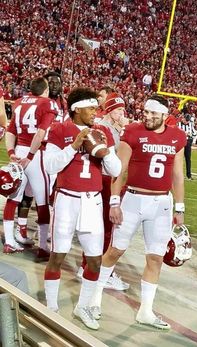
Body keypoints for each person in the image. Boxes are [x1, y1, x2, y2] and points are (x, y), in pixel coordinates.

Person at [90, 94, 187, 330]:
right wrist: (114, 201)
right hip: (133, 199)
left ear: (165, 114)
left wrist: (180, 207)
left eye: (154, 113)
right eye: (146, 112)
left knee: (155, 258)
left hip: (162, 204)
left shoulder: (177, 137)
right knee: (115, 251)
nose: (149, 116)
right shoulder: (132, 132)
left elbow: (177, 174)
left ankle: (145, 311)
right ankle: (93, 298)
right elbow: (118, 170)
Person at [43, 87, 121, 330]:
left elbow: (116, 170)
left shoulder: (102, 131)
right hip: (66, 199)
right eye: (91, 108)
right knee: (58, 255)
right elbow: (50, 166)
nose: (95, 112)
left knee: (95, 260)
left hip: (92, 201)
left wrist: (105, 152)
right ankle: (51, 307)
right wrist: (74, 146)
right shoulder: (59, 129)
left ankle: (83, 306)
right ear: (77, 110)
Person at [77, 92, 129, 291]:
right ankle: (94, 268)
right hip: (106, 180)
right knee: (107, 227)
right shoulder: (104, 128)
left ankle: (88, 266)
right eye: (117, 110)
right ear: (109, 110)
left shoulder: (108, 126)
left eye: (122, 109)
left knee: (101, 227)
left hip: (105, 179)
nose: (121, 113)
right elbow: (112, 158)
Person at [15, 71, 69, 250]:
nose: (55, 85)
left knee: (49, 195)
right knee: (28, 194)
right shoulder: (41, 102)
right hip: (38, 150)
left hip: (54, 153)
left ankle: (42, 231)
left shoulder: (64, 104)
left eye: (58, 82)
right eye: (51, 82)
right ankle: (21, 227)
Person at [3, 77, 57, 254]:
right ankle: (42, 246)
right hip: (35, 154)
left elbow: (10, 130)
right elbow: (41, 132)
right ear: (46, 89)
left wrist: (12, 153)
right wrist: (31, 155)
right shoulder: (47, 103)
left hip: (18, 151)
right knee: (42, 201)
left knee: (13, 198)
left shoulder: (19, 102)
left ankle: (10, 241)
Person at [178, 112, 196, 180]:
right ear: (183, 118)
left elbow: (194, 133)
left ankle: (189, 175)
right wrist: (183, 134)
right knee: (178, 158)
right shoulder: (179, 124)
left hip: (188, 142)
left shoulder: (191, 125)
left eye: (188, 121)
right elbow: (176, 132)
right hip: (180, 142)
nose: (186, 122)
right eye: (186, 120)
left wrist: (189, 134)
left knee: (188, 159)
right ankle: (176, 174)